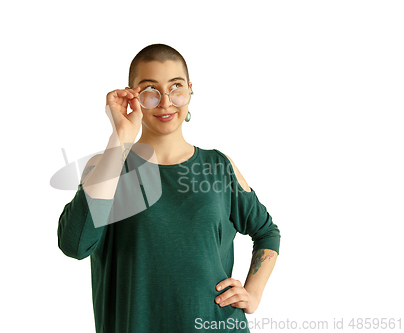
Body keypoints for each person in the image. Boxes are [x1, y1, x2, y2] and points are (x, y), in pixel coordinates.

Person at [57, 43, 281, 333]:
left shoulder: (218, 166)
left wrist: (253, 293)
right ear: (133, 97)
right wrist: (121, 138)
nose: (165, 102)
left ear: (189, 90)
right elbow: (74, 245)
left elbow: (266, 232)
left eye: (175, 87)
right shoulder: (109, 167)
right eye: (150, 91)